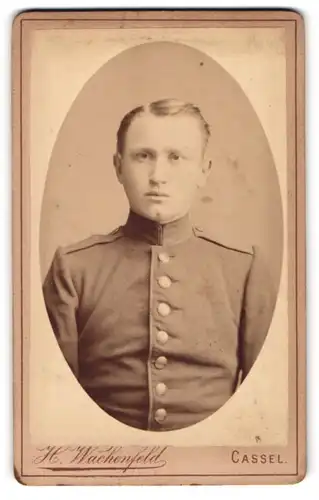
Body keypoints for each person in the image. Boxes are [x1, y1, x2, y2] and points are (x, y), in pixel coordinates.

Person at [43, 98, 276, 432]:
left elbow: (264, 411)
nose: (158, 176)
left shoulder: (244, 269)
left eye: (176, 157)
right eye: (143, 156)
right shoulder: (73, 269)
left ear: (204, 171)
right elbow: (53, 406)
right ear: (118, 167)